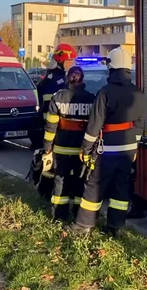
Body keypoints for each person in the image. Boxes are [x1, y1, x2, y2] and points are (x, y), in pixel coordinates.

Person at [72, 47, 147, 236]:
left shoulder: (105, 93)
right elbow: (140, 123)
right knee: (121, 190)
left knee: (94, 187)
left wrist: (86, 148)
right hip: (129, 150)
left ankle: (83, 227)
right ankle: (115, 227)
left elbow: (94, 125)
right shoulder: (138, 93)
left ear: (111, 67)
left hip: (106, 150)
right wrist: (135, 146)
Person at [42, 66, 96, 221]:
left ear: (67, 78)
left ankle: (59, 215)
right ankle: (78, 214)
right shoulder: (91, 99)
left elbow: (51, 127)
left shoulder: (57, 97)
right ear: (83, 79)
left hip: (61, 150)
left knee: (60, 180)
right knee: (80, 181)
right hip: (82, 151)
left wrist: (47, 148)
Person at [30, 44, 77, 199]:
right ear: (60, 60)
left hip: (61, 128)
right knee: (52, 162)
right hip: (53, 127)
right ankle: (45, 191)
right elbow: (51, 107)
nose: (72, 64)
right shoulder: (53, 80)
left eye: (72, 61)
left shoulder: (62, 77)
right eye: (69, 61)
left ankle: (52, 189)